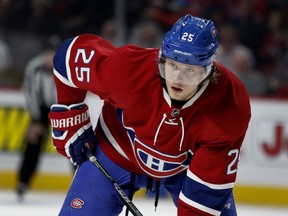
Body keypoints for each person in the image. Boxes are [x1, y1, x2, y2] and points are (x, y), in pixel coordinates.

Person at [48, 14, 251, 216]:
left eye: (190, 70)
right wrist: (70, 113)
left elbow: (202, 201)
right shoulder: (129, 69)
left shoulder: (229, 104)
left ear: (209, 70)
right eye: (172, 65)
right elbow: (69, 55)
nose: (177, 79)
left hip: (184, 172)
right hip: (115, 152)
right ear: (162, 57)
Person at [16, 36, 58, 199]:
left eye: (53, 53)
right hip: (40, 109)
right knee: (33, 142)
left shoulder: (64, 66)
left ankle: (80, 182)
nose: (50, 57)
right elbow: (30, 93)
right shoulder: (34, 67)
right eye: (48, 53)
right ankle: (23, 182)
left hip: (61, 108)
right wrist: (35, 120)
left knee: (75, 143)